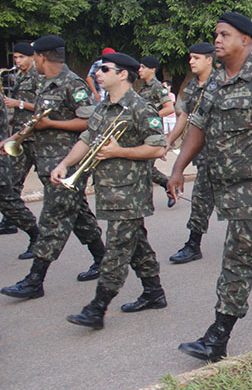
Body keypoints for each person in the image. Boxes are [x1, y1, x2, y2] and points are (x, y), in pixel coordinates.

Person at [168, 12, 252, 363]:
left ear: (245, 40)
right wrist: (178, 168)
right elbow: (197, 126)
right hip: (225, 186)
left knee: (238, 259)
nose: (217, 40)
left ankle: (217, 337)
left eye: (224, 35)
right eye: (216, 34)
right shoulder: (215, 82)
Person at [53, 52, 168, 329]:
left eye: (105, 69)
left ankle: (97, 307)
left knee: (116, 249)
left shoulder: (140, 108)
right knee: (136, 244)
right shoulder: (103, 108)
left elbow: (158, 147)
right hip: (109, 190)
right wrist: (65, 164)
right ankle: (154, 292)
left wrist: (120, 151)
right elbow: (86, 138)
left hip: (129, 192)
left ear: (123, 74)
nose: (98, 73)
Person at [1, 35, 107, 300]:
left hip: (68, 163)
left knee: (53, 219)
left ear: (41, 57)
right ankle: (103, 259)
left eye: (33, 56)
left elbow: (88, 122)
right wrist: (13, 139)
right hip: (48, 162)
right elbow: (37, 122)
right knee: (80, 216)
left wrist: (52, 125)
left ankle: (35, 280)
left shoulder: (72, 83)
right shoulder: (44, 83)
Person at [166, 42, 217, 264]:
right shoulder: (193, 86)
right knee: (201, 200)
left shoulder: (222, 82)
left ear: (209, 60)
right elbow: (184, 116)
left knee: (243, 204)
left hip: (227, 155)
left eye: (196, 58)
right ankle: (193, 244)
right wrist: (169, 140)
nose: (191, 61)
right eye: (191, 57)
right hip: (203, 154)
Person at [1, 41, 43, 241]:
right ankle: (10, 221)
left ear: (31, 57)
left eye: (21, 57)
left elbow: (43, 106)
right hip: (19, 136)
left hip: (35, 137)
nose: (17, 61)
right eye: (15, 57)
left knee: (49, 180)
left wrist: (18, 103)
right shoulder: (19, 76)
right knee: (13, 181)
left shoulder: (37, 76)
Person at [137, 56, 176, 207]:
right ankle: (168, 185)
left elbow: (169, 108)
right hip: (143, 132)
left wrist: (149, 117)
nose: (140, 70)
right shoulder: (143, 88)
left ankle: (168, 185)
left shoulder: (157, 87)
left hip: (152, 133)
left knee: (146, 167)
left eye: (143, 67)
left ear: (152, 69)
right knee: (144, 167)